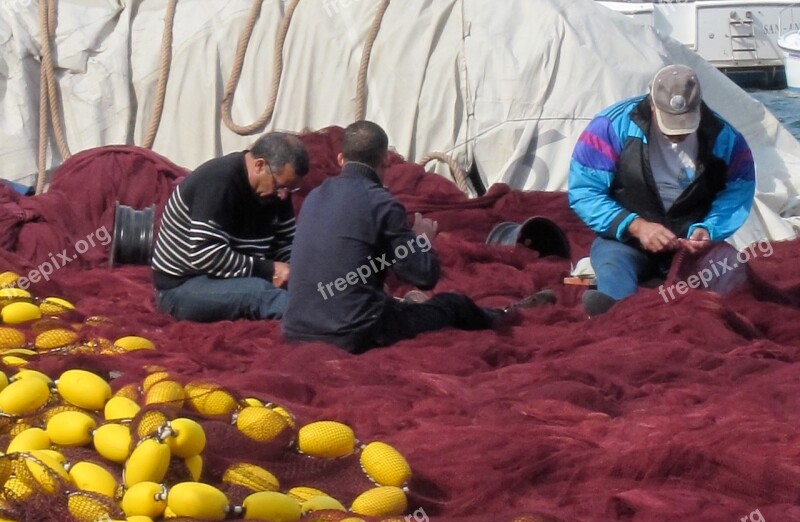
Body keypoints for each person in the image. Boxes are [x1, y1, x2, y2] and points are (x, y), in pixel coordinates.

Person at [282, 120, 554, 353]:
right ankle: (502, 315)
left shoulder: (314, 197)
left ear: (341, 159)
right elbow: (424, 276)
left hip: (296, 328)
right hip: (352, 334)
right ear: (385, 159)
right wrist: (420, 240)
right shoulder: (381, 203)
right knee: (452, 304)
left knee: (396, 302)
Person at [568, 64, 755, 316]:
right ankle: (613, 314)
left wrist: (709, 229)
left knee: (730, 283)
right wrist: (637, 226)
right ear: (653, 105)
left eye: (686, 123)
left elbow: (738, 191)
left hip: (692, 248)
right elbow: (585, 192)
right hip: (626, 243)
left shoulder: (725, 138)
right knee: (613, 268)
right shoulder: (610, 127)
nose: (678, 133)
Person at [152, 132, 309, 321]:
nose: (284, 196)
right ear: (259, 165)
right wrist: (270, 270)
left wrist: (299, 273)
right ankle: (317, 320)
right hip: (182, 286)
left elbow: (285, 244)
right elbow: (206, 255)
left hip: (235, 278)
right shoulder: (218, 181)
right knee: (259, 294)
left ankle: (327, 308)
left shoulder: (277, 192)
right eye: (281, 187)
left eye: (291, 190)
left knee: (305, 283)